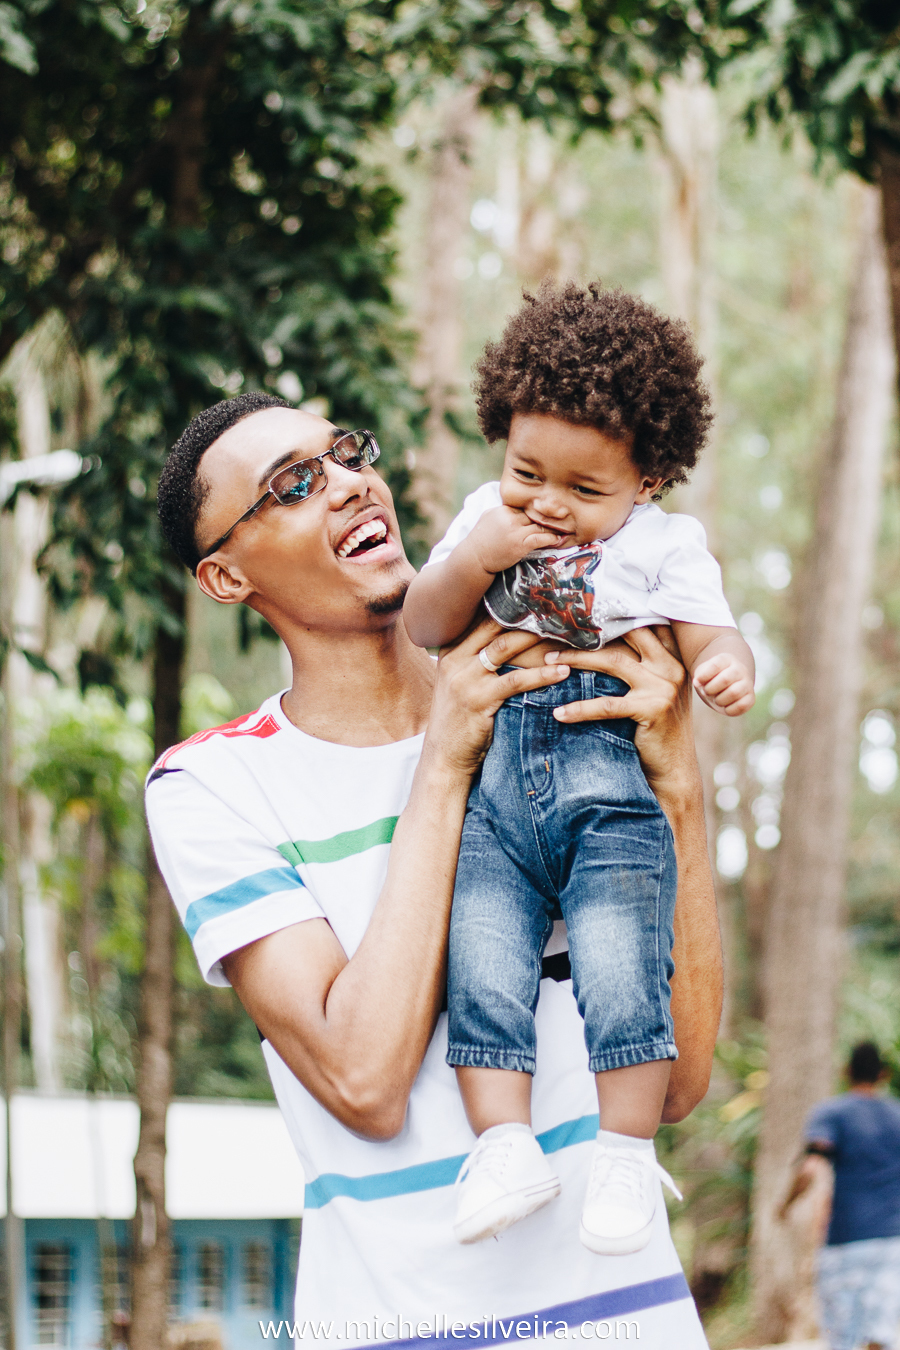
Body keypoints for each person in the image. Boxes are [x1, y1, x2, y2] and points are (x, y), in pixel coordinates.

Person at [145, 390, 722, 1347]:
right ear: (225, 577)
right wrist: (449, 754)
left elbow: (678, 1083)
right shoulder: (213, 783)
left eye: (344, 453)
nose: (346, 483)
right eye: (294, 484)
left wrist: (681, 789)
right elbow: (364, 1082)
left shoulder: (567, 694)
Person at [403, 283, 754, 1255]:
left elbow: (711, 631)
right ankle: (504, 1145)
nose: (547, 505)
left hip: (611, 791)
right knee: (480, 960)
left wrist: (725, 665)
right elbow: (427, 626)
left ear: (646, 482)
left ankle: (625, 1155)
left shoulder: (667, 545)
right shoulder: (487, 515)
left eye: (583, 490)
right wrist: (479, 550)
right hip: (496, 791)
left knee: (620, 962)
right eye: (527, 474)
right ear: (501, 444)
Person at [781, 1041, 900, 1350]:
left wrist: (785, 1205)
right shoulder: (897, 1116)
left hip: (845, 1240)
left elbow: (810, 1167)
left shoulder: (832, 1113)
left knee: (843, 1335)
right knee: (880, 1333)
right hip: (891, 1242)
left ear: (846, 1072)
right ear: (883, 1075)